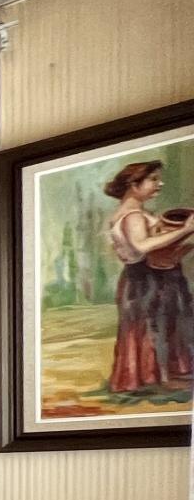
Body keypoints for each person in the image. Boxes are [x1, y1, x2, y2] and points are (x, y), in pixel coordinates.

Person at [105, 159, 194, 394]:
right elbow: (142, 246)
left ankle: (156, 376)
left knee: (155, 326)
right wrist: (186, 230)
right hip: (145, 280)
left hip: (140, 279)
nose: (160, 184)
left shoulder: (130, 214)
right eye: (153, 179)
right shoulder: (133, 216)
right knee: (156, 327)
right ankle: (162, 379)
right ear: (134, 184)